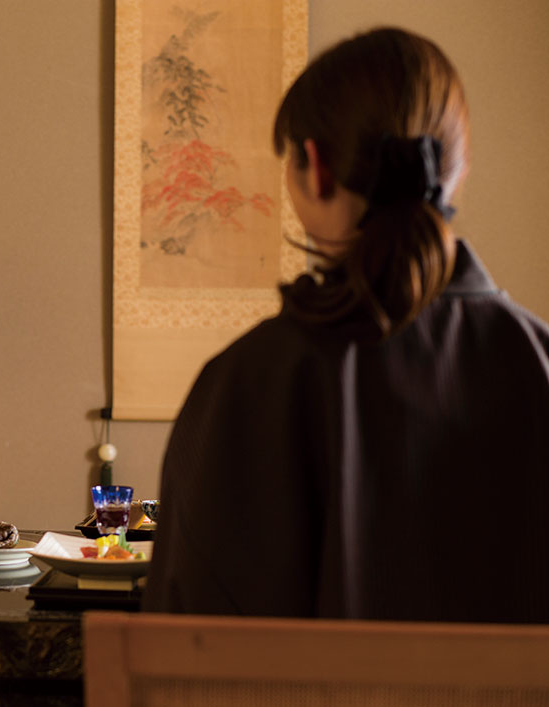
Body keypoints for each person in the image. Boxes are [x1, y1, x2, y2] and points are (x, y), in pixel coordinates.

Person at [143, 28, 549, 622]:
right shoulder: (539, 365)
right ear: (457, 171)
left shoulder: (244, 383)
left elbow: (188, 644)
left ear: (314, 168)